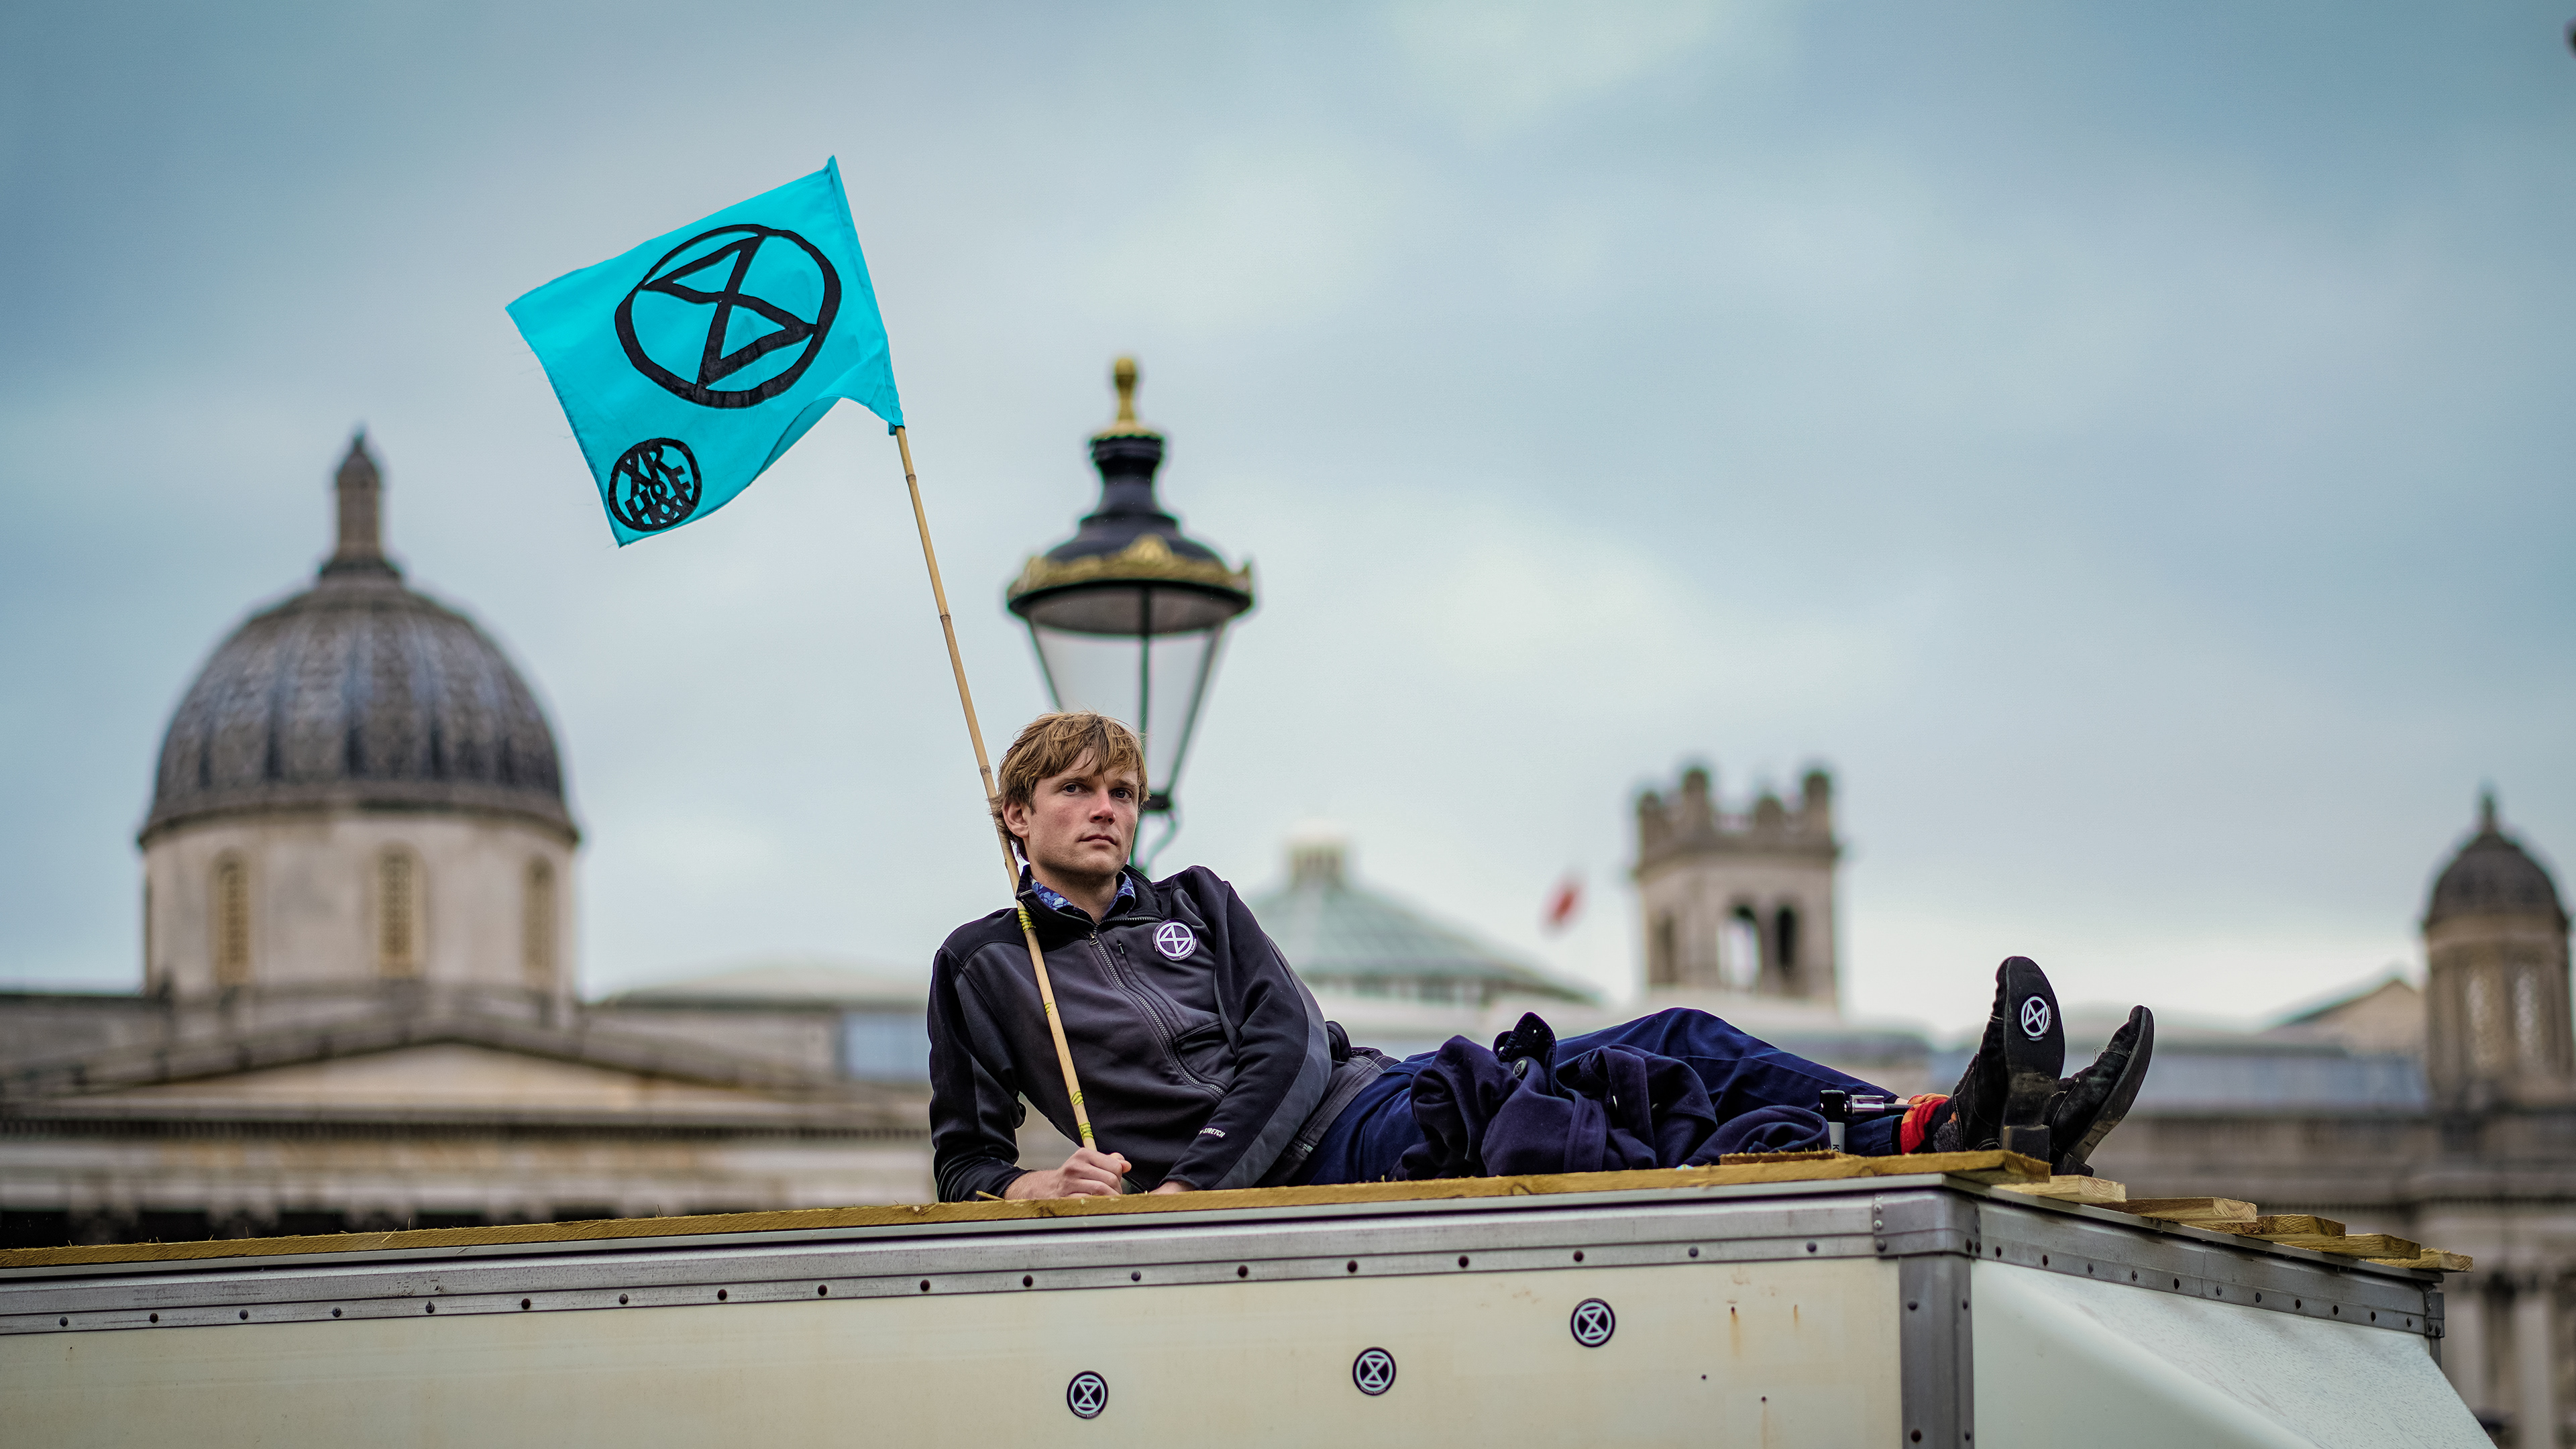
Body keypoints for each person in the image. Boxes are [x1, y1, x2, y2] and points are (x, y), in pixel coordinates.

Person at [927, 712, 2153, 1201]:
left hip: (1366, 1097)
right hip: (1324, 1163)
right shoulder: (982, 968)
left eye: (1122, 791)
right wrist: (1031, 1190)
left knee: (1677, 1038)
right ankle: (1938, 1133)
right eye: (1075, 790)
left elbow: (1292, 1046)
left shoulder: (1199, 898)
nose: (1106, 809)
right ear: (1017, 816)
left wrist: (1190, 1187)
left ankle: (1947, 1120)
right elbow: (966, 1160)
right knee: (1598, 1116)